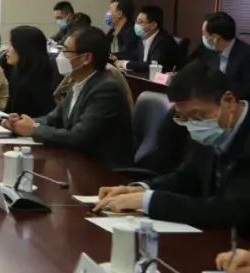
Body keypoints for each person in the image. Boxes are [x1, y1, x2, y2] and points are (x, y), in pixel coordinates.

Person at [94, 62, 250, 231]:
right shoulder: (210, 128)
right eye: (184, 118)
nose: (194, 125)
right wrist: (140, 189)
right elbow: (186, 178)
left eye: (198, 116)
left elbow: (231, 211)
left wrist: (150, 201)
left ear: (228, 101)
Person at [3, 26, 134, 168]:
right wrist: (20, 123)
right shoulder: (79, 82)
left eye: (65, 51)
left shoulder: (106, 89)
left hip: (103, 170)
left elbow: (78, 137)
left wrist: (33, 129)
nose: (60, 56)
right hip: (78, 162)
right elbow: (53, 118)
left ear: (86, 58)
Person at [5, 25, 56, 117]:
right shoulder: (17, 72)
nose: (7, 49)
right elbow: (10, 110)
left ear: (24, 49)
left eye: (12, 45)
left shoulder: (38, 80)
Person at [117, 5, 183, 73]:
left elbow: (152, 65)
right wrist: (116, 57)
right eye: (136, 21)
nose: (136, 25)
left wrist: (126, 64)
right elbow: (135, 55)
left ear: (153, 25)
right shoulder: (144, 37)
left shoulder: (163, 41)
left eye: (140, 22)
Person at [200, 12, 250, 99]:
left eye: (204, 33)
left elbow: (245, 90)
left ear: (215, 38)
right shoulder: (208, 50)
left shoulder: (246, 55)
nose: (203, 36)